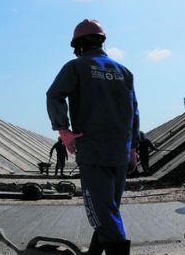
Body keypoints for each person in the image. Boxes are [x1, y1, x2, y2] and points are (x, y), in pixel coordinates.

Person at [46, 19, 139, 255]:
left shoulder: (76, 67)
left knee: (102, 213)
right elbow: (134, 111)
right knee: (108, 211)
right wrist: (133, 148)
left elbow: (54, 95)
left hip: (93, 152)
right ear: (102, 41)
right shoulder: (124, 72)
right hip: (120, 153)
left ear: (77, 45)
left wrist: (63, 130)